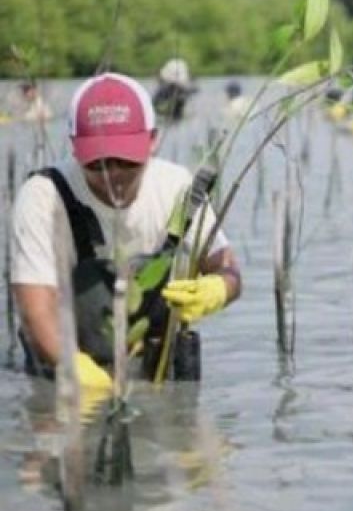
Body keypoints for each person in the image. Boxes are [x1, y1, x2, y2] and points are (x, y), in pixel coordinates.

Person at [10, 73, 242, 402]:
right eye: (98, 163)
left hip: (156, 371)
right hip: (65, 370)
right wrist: (72, 366)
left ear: (152, 141)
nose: (113, 174)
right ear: (75, 147)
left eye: (127, 161)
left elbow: (228, 268)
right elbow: (34, 306)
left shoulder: (177, 189)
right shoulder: (43, 197)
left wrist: (219, 287)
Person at [153, 57, 196, 123]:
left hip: (175, 98)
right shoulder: (182, 88)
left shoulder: (165, 88)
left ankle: (173, 115)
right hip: (177, 96)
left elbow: (154, 105)